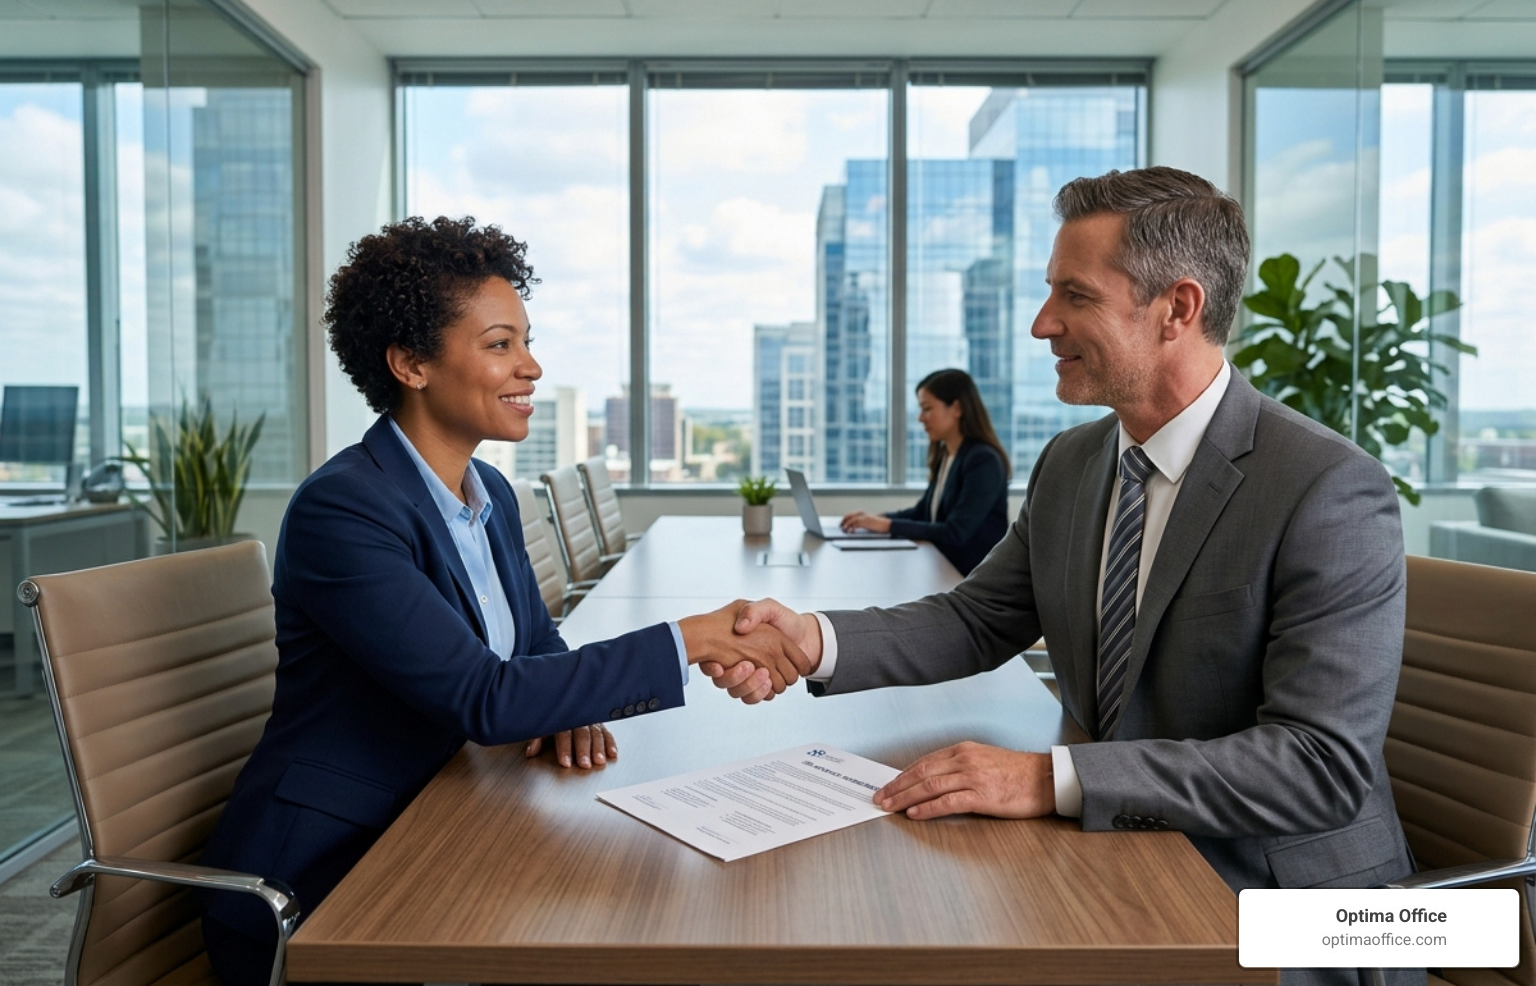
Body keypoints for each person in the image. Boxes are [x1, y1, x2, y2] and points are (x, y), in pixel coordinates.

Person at [711, 168, 1418, 986]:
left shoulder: (1325, 487)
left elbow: (1318, 766)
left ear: (1177, 310)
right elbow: (978, 620)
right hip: (1131, 855)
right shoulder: (1075, 462)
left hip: (1291, 901)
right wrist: (814, 641)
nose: (1043, 323)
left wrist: (1049, 777)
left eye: (1075, 297)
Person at [198, 216, 808, 986]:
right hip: (330, 877)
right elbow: (483, 696)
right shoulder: (345, 511)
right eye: (499, 345)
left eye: (525, 340)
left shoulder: (486, 491)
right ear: (411, 364)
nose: (532, 366)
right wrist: (690, 639)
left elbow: (536, 647)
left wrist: (560, 702)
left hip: (448, 816)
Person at [840, 368, 1009, 574]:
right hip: (942, 568)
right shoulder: (947, 455)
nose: (921, 418)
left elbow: (956, 532)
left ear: (956, 408)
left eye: (927, 408)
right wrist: (874, 519)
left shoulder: (983, 461)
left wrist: (886, 525)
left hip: (969, 577)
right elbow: (923, 513)